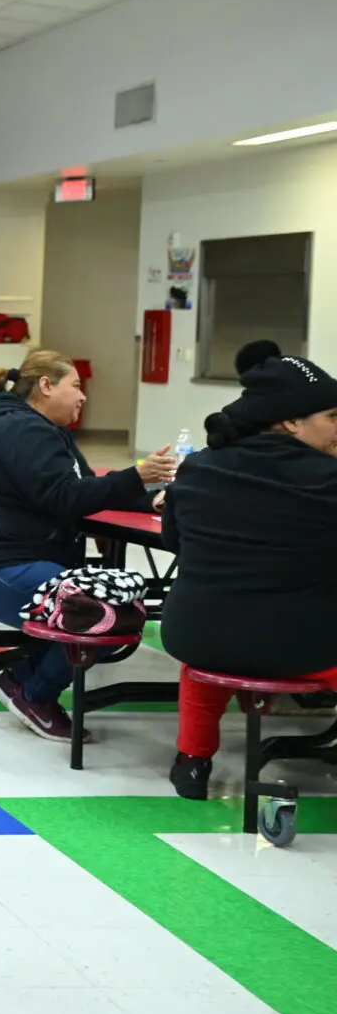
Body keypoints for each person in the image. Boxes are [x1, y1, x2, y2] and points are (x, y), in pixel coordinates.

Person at [0, 352, 174, 741]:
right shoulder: (22, 430)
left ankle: (20, 679)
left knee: (108, 603)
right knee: (108, 613)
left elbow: (87, 489)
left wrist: (149, 498)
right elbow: (64, 498)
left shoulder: (42, 429)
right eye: (75, 385)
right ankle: (35, 694)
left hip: (11, 560)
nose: (82, 396)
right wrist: (137, 476)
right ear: (45, 386)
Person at [161, 341, 337, 801]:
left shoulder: (197, 467)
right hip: (301, 647)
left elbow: (174, 543)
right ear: (292, 421)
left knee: (217, 632)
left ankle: (192, 761)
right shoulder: (327, 478)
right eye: (333, 417)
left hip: (194, 635)